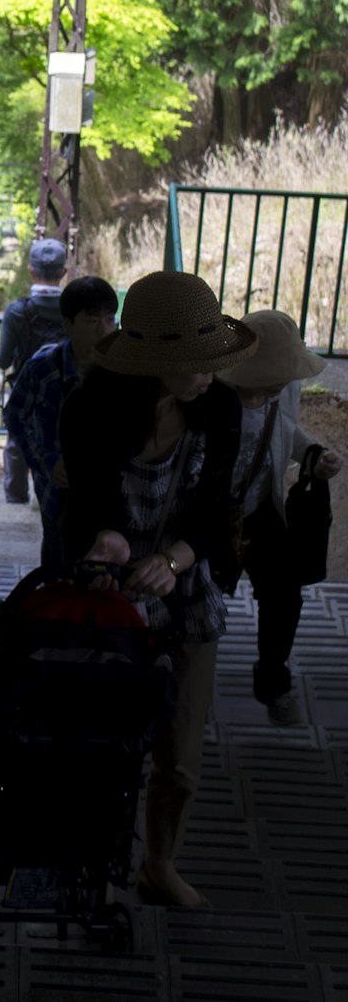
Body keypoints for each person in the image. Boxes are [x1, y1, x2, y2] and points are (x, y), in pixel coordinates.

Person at [59, 270, 256, 908]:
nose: (210, 373)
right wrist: (111, 540)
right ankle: (87, 861)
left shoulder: (220, 408)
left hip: (187, 580)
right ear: (156, 361)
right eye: (198, 362)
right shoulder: (88, 409)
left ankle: (159, 862)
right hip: (110, 587)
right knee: (100, 741)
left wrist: (173, 561)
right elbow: (89, 502)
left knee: (183, 756)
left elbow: (213, 508)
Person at [217, 310, 342, 726]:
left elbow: (285, 431)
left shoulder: (284, 390)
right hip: (209, 516)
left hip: (259, 508)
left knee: (284, 596)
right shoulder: (210, 394)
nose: (278, 386)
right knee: (196, 597)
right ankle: (183, 684)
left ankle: (273, 681)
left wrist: (312, 455)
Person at [4, 275, 118, 571]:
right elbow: (14, 414)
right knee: (58, 557)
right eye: (92, 321)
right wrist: (44, 462)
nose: (104, 330)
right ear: (68, 324)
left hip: (110, 493)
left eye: (110, 320)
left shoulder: (123, 371)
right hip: (56, 493)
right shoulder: (42, 368)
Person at [0, 237, 67, 504]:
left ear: (31, 270)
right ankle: (52, 489)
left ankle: (16, 493)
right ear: (63, 272)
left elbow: (2, 361)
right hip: (65, 389)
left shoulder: (16, 312)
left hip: (25, 390)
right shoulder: (72, 309)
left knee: (18, 435)